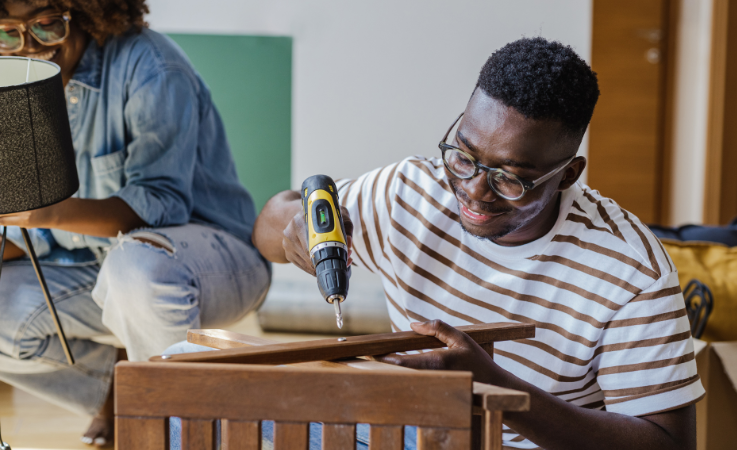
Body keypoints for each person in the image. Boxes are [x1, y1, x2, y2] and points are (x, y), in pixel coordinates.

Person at [253, 37, 703, 449]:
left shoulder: (629, 269)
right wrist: (298, 227)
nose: (474, 190)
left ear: (567, 175)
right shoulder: (412, 192)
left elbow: (666, 442)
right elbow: (269, 227)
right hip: (410, 432)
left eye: (509, 178)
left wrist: (495, 389)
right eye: (464, 156)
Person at [0, 0, 271, 447]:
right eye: (5, 35)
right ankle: (131, 397)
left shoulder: (152, 65)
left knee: (134, 269)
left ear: (82, 11)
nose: (29, 45)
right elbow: (38, 235)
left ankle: (178, 430)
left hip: (209, 261)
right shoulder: (19, 93)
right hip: (101, 265)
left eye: (47, 24)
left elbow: (159, 205)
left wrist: (48, 209)